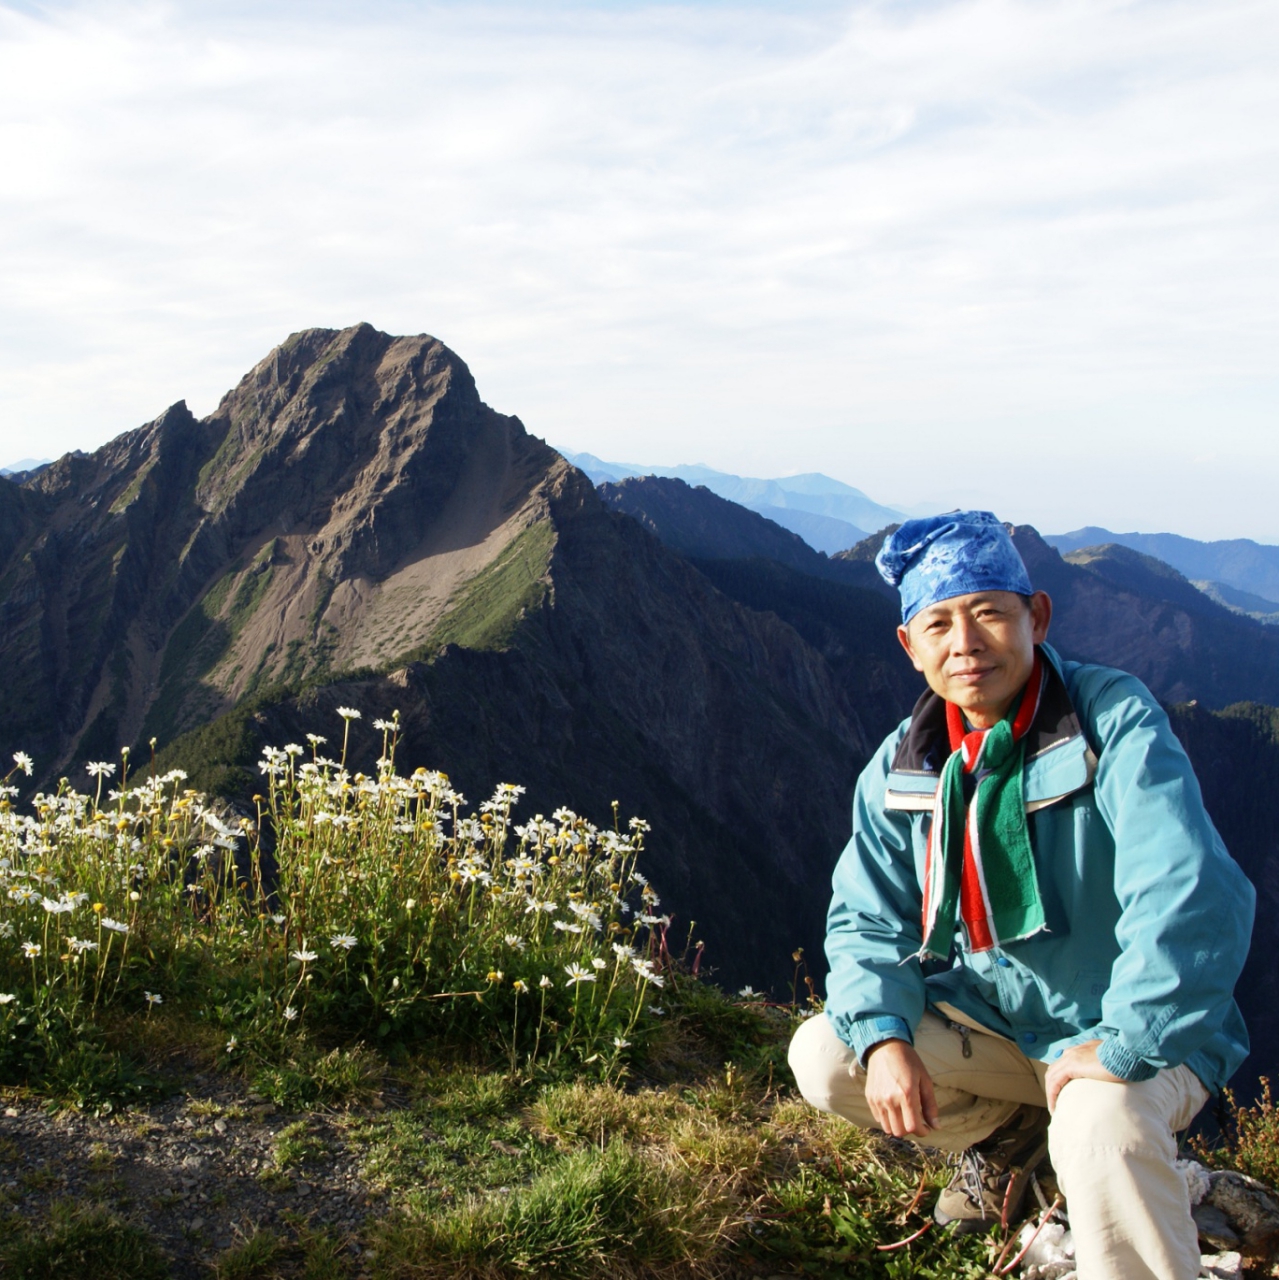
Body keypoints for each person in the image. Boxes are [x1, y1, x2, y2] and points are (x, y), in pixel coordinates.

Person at [788, 511, 1255, 1280]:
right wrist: (884, 1036)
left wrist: (1126, 1041)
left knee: (1101, 1122)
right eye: (936, 623)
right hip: (1003, 1020)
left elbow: (1186, 887)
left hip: (1140, 1022)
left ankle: (1112, 1188)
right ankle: (1027, 1153)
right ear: (910, 647)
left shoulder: (1109, 722)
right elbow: (865, 916)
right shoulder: (904, 768)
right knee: (828, 1055)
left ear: (1034, 617)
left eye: (988, 614)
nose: (964, 643)